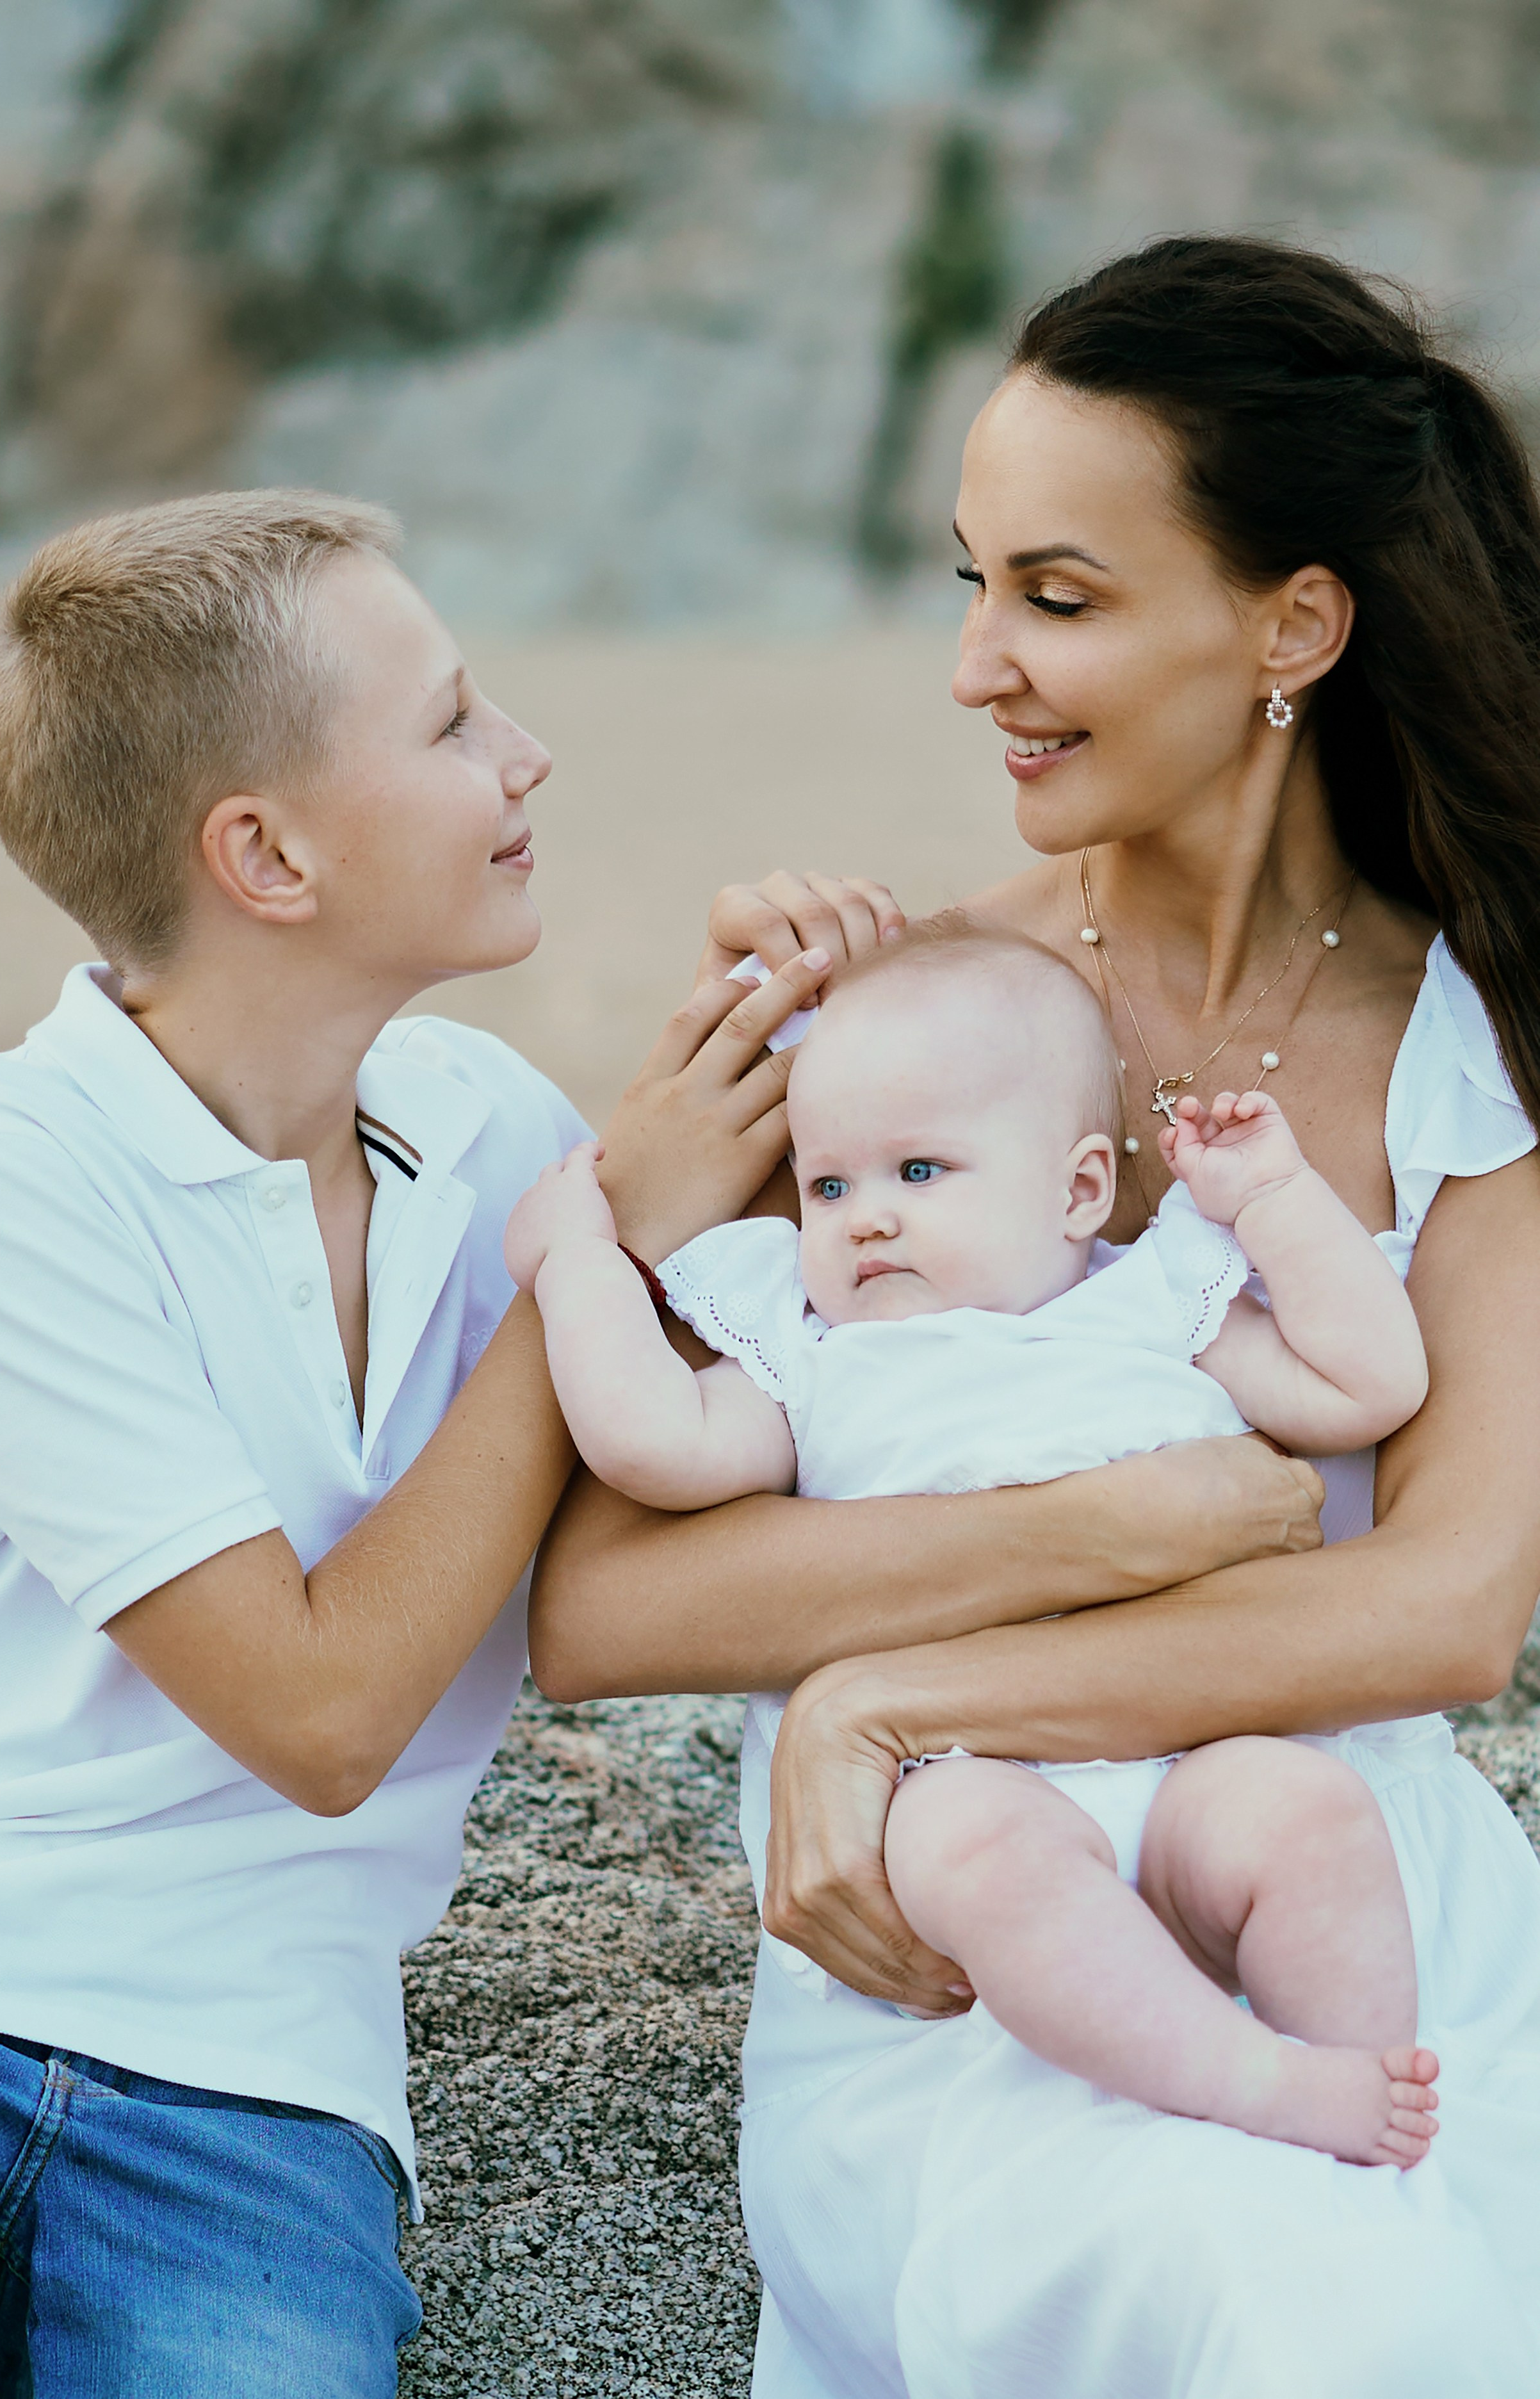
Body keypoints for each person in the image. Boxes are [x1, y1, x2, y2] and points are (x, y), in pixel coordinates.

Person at [527, 235, 1540, 2393]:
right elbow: (605, 1593)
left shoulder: (1479, 1043)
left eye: (1057, 597)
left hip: (1357, 1916)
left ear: (1295, 627)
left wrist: (881, 1686)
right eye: (970, 580)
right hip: (956, 1964)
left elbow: (1446, 1611)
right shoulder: (882, 1036)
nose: (976, 662)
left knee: (1370, 2295)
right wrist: (1090, 1559)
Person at [0, 489, 841, 2395]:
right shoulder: (0, 1171)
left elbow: (706, 1428)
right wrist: (591, 1250)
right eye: (446, 724)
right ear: (264, 853)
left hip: (264, 2102)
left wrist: (811, 1030)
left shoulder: (490, 1128)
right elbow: (318, 1713)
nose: (524, 752)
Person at [510, 911, 1441, 2167]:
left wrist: (1271, 1199)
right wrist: (579, 1266)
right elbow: (653, 1444)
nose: (862, 1219)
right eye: (829, 1183)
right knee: (970, 1848)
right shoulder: (815, 1352)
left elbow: (1363, 1386)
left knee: (1306, 1810)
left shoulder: (1149, 1299)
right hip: (969, 1778)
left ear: (1075, 1190)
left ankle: (1353, 2093)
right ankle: (1245, 2079)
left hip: (1196, 1739)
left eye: (920, 1172)